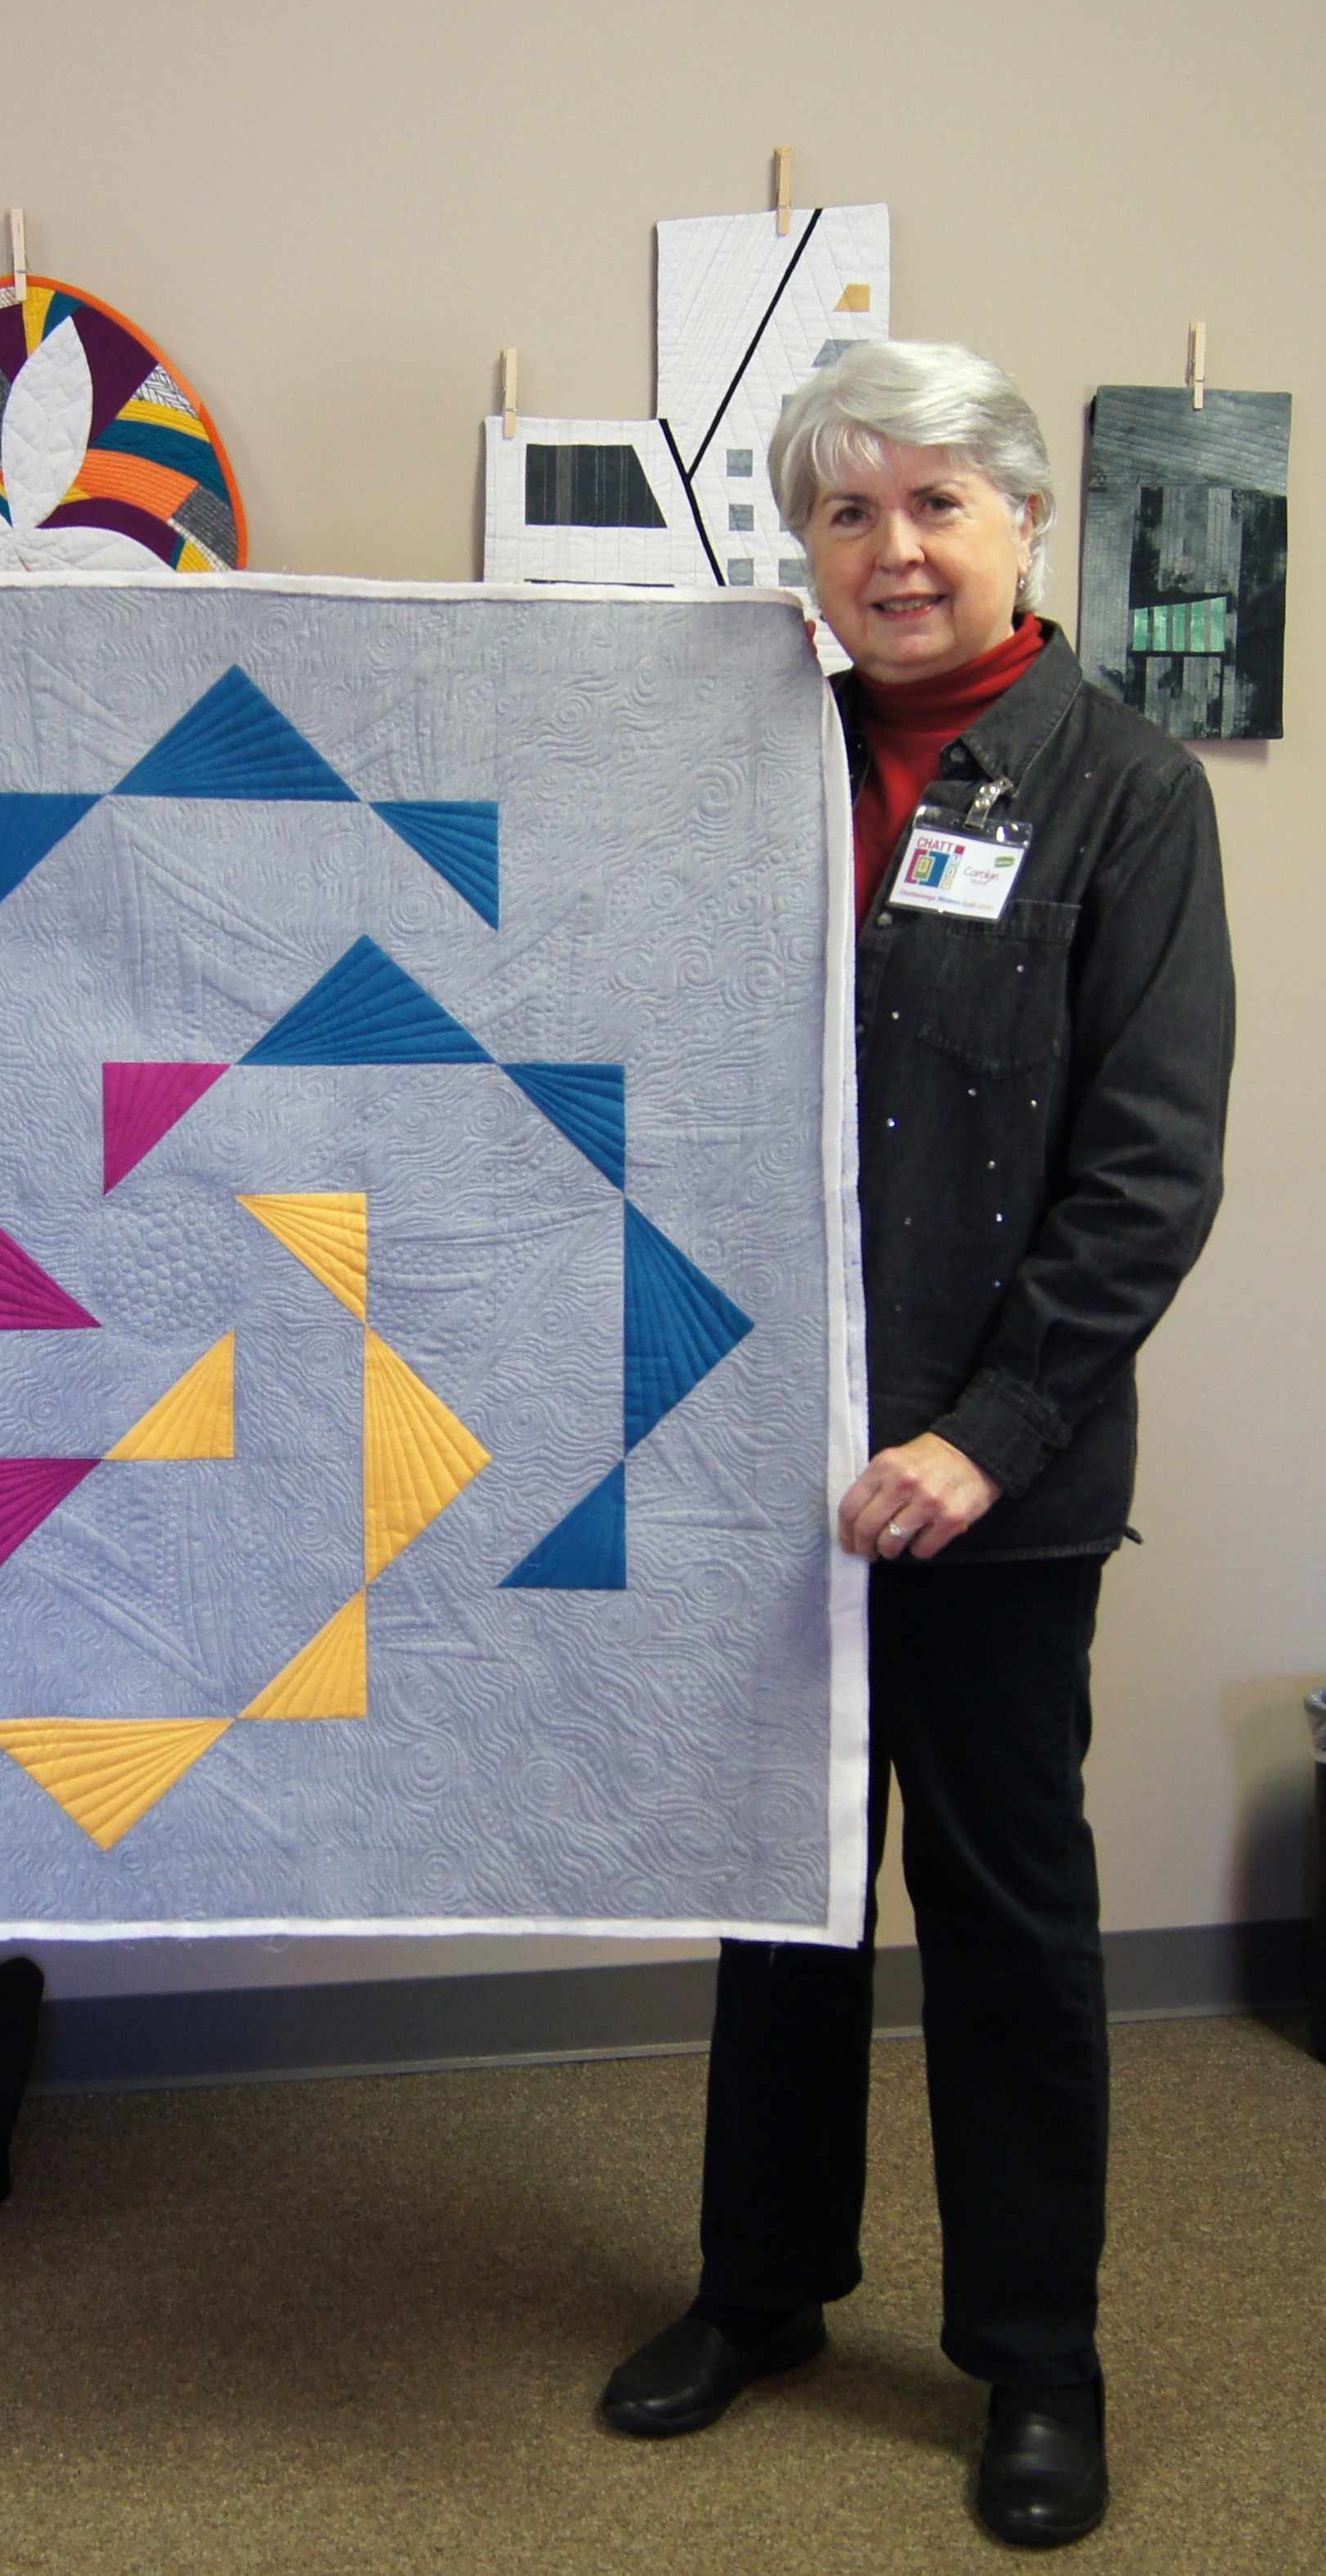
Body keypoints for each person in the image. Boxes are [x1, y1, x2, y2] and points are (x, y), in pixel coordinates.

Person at [598, 342, 1233, 2548]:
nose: (893, 551)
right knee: (780, 1901)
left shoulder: (1122, 790)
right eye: (846, 511)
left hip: (994, 1488)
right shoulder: (741, 759)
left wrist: (985, 1435)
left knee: (1004, 1918)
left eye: (937, 504)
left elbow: (1145, 1169)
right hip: (761, 1460)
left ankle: (1035, 2362)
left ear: (1023, 525)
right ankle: (760, 2290)